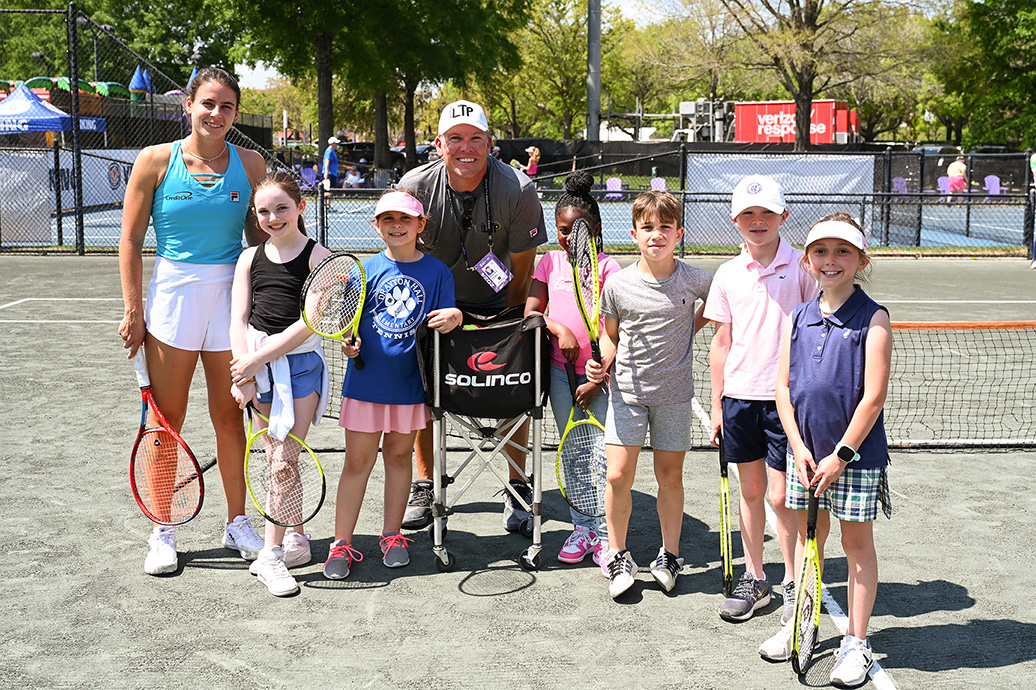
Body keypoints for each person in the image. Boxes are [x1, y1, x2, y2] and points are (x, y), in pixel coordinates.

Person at [118, 67, 268, 576]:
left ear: (235, 113)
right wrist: (134, 311)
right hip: (173, 298)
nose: (216, 113)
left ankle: (237, 522)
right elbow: (131, 242)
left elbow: (269, 235)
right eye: (208, 103)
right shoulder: (154, 161)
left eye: (226, 106)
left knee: (230, 417)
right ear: (189, 105)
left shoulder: (249, 164)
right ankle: (163, 528)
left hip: (231, 298)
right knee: (167, 422)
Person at [397, 100, 547, 532]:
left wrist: (510, 325)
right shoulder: (416, 185)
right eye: (456, 138)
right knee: (422, 393)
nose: (466, 147)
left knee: (516, 391)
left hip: (499, 304)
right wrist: (425, 315)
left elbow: (521, 269)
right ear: (439, 145)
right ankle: (425, 484)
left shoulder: (517, 189)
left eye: (475, 138)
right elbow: (404, 256)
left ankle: (518, 485)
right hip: (431, 307)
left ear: (490, 144)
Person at [760, 214, 892, 689]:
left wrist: (841, 455)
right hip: (806, 458)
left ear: (860, 260)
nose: (830, 261)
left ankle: (856, 643)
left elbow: (872, 397)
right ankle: (798, 622)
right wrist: (797, 447)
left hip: (853, 461)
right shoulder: (798, 315)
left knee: (856, 546)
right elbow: (783, 388)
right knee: (806, 543)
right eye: (821, 251)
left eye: (842, 252)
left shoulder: (873, 318)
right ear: (808, 260)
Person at [323, 190, 462, 580]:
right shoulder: (362, 271)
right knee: (357, 463)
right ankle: (342, 543)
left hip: (411, 386)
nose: (396, 226)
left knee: (400, 459)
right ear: (377, 225)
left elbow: (449, 316)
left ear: (421, 225)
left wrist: (455, 315)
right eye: (387, 219)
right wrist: (348, 345)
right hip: (366, 385)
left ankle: (392, 535)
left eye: (405, 219)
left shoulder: (438, 272)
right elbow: (346, 329)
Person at [585, 190, 712, 599]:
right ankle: (619, 554)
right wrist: (599, 364)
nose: (656, 235)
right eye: (647, 228)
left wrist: (687, 331)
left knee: (669, 476)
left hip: (674, 397)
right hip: (627, 394)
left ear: (678, 233)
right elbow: (610, 339)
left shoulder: (694, 278)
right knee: (618, 475)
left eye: (664, 228)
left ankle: (669, 555)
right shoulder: (618, 284)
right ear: (635, 233)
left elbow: (718, 302)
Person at [705, 175, 819, 622]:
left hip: (785, 403)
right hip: (738, 399)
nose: (758, 221)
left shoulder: (804, 269)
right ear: (735, 221)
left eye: (767, 213)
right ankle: (757, 578)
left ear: (783, 217)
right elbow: (720, 342)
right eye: (748, 214)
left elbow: (817, 330)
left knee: (780, 496)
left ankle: (793, 580)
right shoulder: (728, 274)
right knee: (750, 491)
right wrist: (717, 404)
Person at [228, 172, 332, 596]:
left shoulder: (320, 257)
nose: (273, 217)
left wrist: (256, 360)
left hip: (300, 369)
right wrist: (245, 373)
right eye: (264, 211)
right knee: (277, 460)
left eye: (282, 208)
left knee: (284, 460)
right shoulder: (248, 258)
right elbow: (238, 319)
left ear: (300, 208)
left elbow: (309, 323)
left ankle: (270, 556)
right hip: (258, 370)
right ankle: (297, 539)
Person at [525, 170, 620, 572]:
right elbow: (530, 314)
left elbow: (617, 330)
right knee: (574, 451)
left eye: (575, 229)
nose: (567, 237)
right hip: (560, 375)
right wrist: (557, 327)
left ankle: (604, 534)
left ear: (594, 227)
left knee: (600, 455)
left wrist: (598, 376)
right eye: (561, 230)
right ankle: (582, 527)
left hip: (599, 380)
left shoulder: (609, 267)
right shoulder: (548, 262)